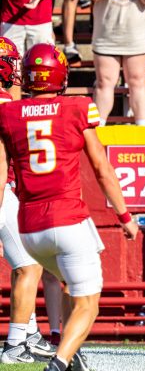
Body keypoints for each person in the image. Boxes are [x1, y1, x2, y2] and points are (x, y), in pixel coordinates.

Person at [0, 43, 138, 371]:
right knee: (87, 299)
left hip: (29, 224)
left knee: (62, 278)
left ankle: (64, 346)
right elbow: (103, 169)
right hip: (65, 218)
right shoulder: (78, 107)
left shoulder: (8, 113)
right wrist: (125, 216)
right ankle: (57, 361)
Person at [0, 37, 58, 364]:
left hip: (7, 188)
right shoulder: (5, 102)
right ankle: (14, 345)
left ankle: (30, 333)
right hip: (1, 189)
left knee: (23, 265)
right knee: (28, 266)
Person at [87, 0, 145, 126]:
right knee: (104, 83)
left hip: (137, 36)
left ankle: (142, 129)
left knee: (138, 82)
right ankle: (99, 130)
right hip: (106, 36)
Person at [0, 0, 59, 100]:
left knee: (44, 72)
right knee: (11, 72)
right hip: (10, 19)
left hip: (41, 19)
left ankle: (42, 113)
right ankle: (14, 114)